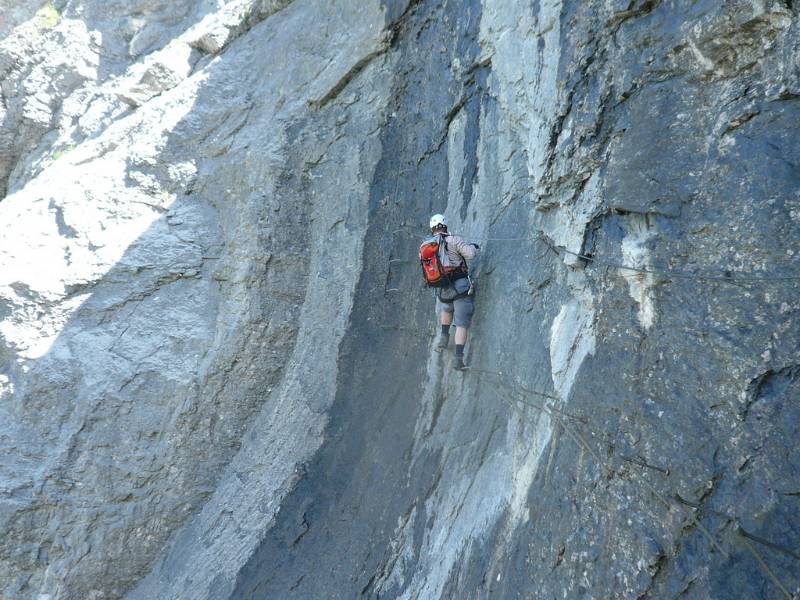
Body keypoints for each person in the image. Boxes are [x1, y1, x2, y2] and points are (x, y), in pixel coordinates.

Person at [428, 214, 480, 370]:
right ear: (445, 226)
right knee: (461, 324)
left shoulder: (427, 245)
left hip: (442, 287)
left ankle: (443, 337)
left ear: (432, 229)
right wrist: (474, 247)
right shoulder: (454, 240)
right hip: (461, 287)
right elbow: (470, 254)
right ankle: (458, 360)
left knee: (447, 308)